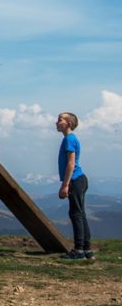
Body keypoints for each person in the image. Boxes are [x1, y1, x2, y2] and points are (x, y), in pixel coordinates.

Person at [56, 111, 93, 259]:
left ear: (68, 124)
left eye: (60, 120)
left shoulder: (69, 139)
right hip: (80, 179)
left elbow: (71, 164)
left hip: (75, 180)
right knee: (80, 214)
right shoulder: (70, 138)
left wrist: (65, 185)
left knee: (76, 214)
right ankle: (86, 249)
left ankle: (79, 250)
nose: (56, 122)